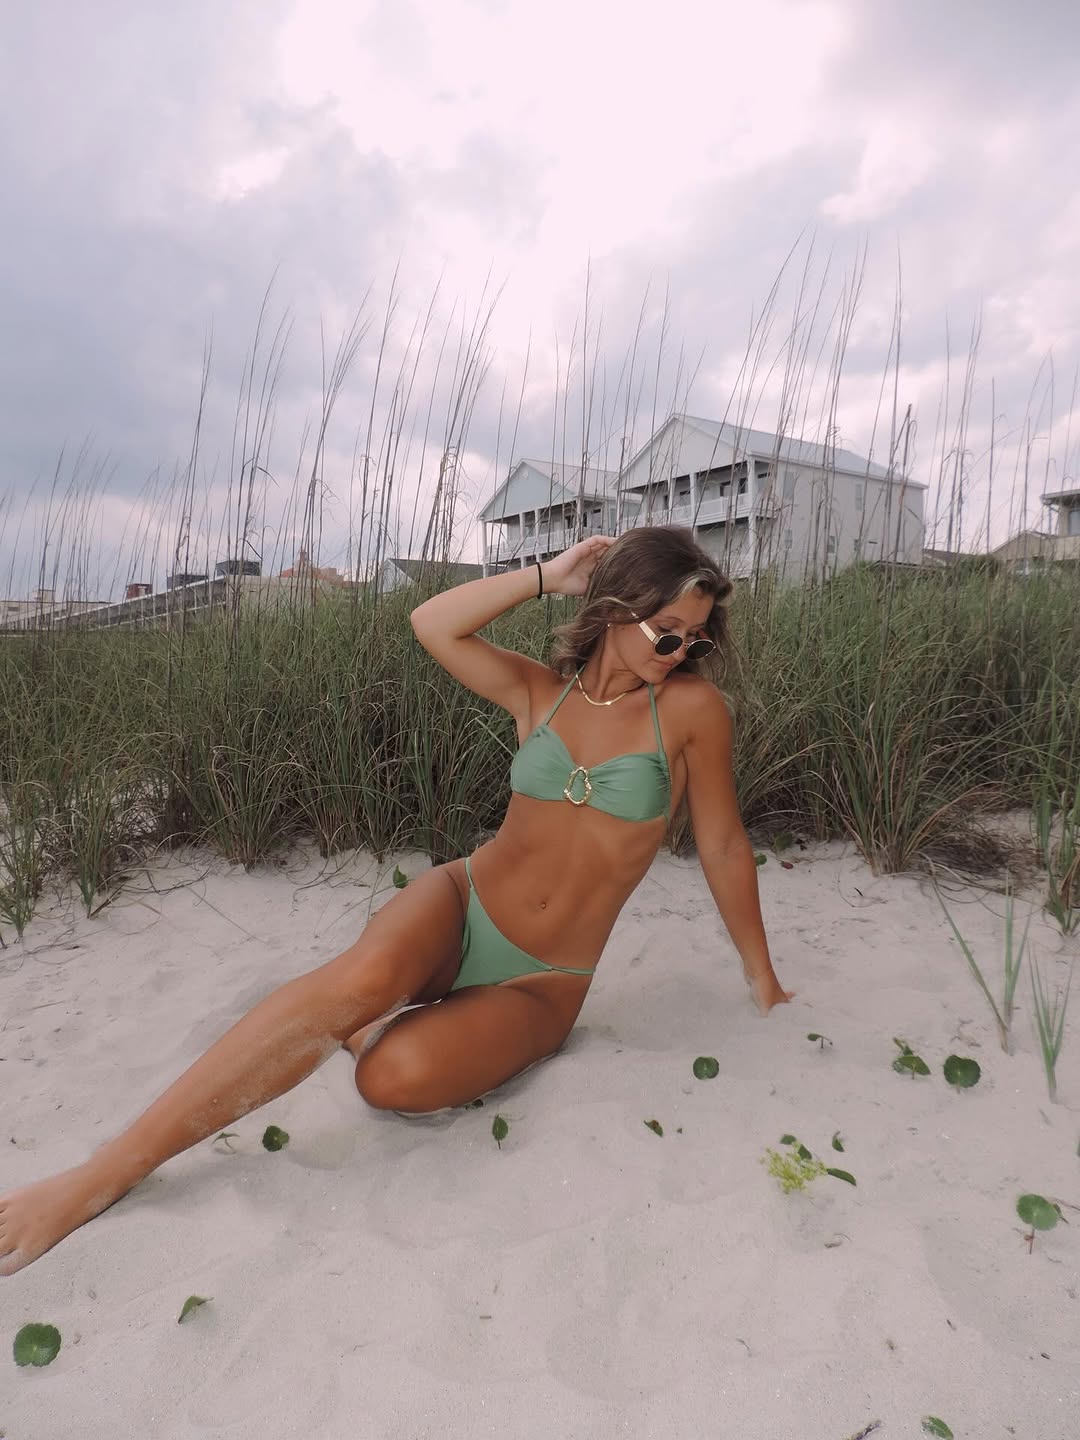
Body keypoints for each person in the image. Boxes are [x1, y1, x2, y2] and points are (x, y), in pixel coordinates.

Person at [0, 525, 791, 1276]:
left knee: (391, 1078)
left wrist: (762, 979)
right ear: (616, 611)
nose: (680, 652)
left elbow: (723, 846)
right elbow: (432, 623)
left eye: (696, 639)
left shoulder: (689, 711)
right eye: (666, 633)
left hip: (542, 980)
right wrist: (548, 576)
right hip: (464, 901)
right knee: (362, 980)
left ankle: (365, 1023)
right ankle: (104, 1173)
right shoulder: (539, 693)